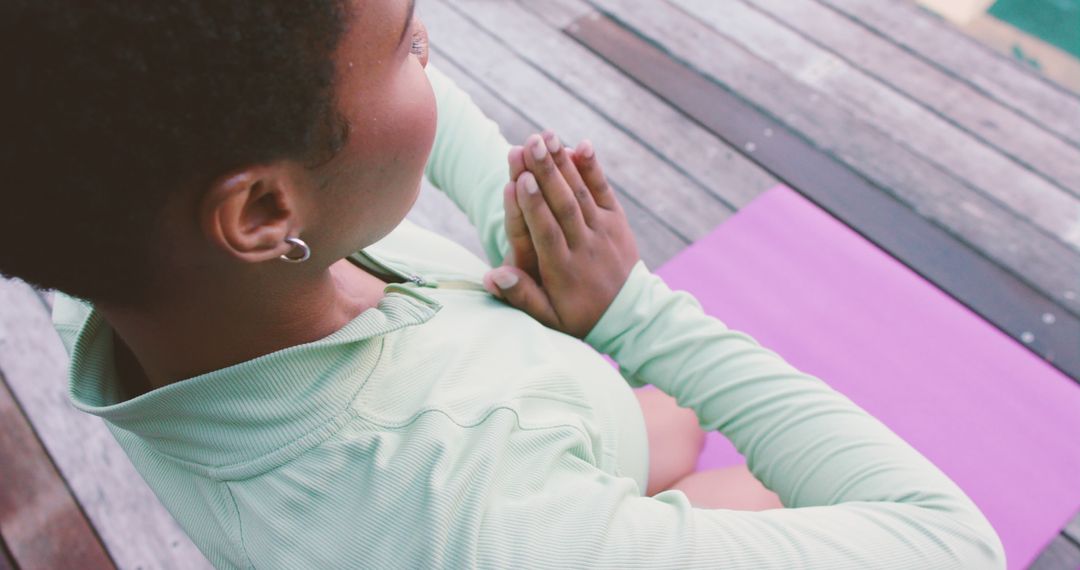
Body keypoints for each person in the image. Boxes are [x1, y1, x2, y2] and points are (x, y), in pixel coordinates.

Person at [3, 1, 1005, 568]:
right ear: (265, 213)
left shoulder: (113, 255)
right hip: (514, 504)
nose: (432, 61)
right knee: (742, 475)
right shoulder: (485, 521)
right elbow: (949, 541)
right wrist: (632, 313)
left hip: (533, 428)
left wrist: (523, 206)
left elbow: (301, 90)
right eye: (409, 43)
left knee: (661, 428)